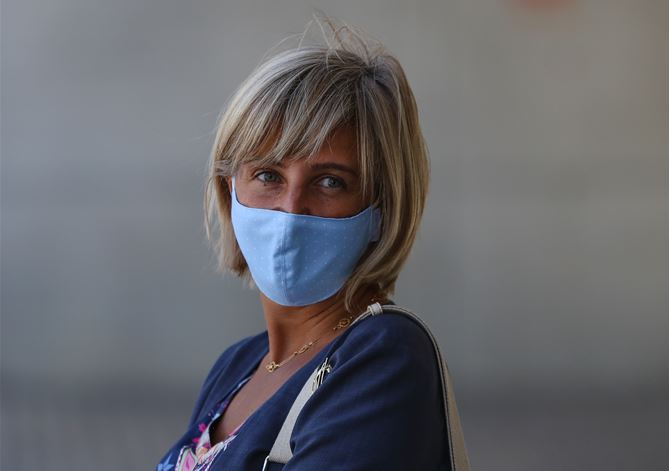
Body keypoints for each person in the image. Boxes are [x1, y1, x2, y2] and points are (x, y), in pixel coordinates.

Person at [156, 17, 468, 471]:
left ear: (382, 209)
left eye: (330, 181)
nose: (291, 208)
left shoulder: (382, 359)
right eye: (268, 175)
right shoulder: (238, 366)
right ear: (230, 193)